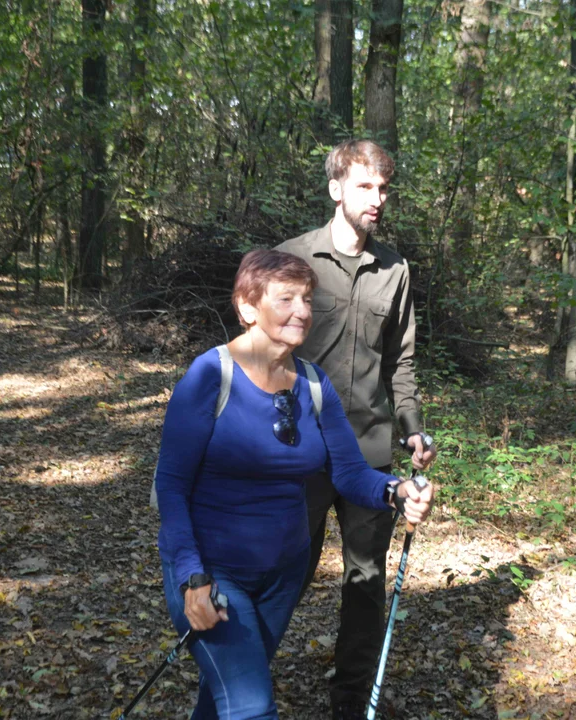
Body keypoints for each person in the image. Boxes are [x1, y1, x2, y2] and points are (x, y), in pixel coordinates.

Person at [154, 249, 435, 720]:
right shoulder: (210, 375)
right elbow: (172, 485)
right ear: (247, 307)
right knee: (252, 708)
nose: (303, 311)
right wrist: (191, 578)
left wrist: (398, 491)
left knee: (223, 696)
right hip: (214, 574)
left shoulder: (314, 384)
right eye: (286, 299)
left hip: (282, 576)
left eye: (307, 299)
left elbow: (349, 473)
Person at [276, 139, 437, 719]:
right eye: (366, 186)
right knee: (282, 573)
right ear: (336, 188)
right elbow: (262, 358)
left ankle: (351, 703)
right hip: (297, 453)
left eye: (384, 188)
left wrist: (413, 428)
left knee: (366, 584)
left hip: (369, 457)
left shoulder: (394, 269)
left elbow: (403, 362)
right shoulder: (290, 261)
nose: (378, 199)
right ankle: (243, 683)